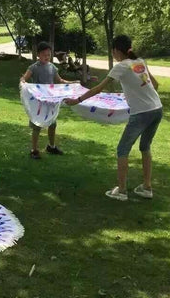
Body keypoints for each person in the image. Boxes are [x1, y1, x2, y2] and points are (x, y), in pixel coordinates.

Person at [66, 35, 163, 200]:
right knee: (145, 147)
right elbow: (155, 85)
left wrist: (77, 100)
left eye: (113, 51)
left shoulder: (121, 67)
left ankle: (122, 190)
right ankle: (147, 187)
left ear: (117, 50)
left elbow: (99, 88)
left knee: (122, 150)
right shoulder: (140, 61)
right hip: (157, 108)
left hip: (141, 113)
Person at [20, 41, 75, 159]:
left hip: (50, 101)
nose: (47, 57)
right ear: (38, 55)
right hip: (38, 103)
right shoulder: (33, 67)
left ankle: (51, 146)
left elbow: (59, 80)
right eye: (44, 54)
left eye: (49, 55)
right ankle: (34, 150)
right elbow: (24, 78)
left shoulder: (52, 67)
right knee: (36, 125)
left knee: (52, 124)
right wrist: (23, 82)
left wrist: (71, 83)